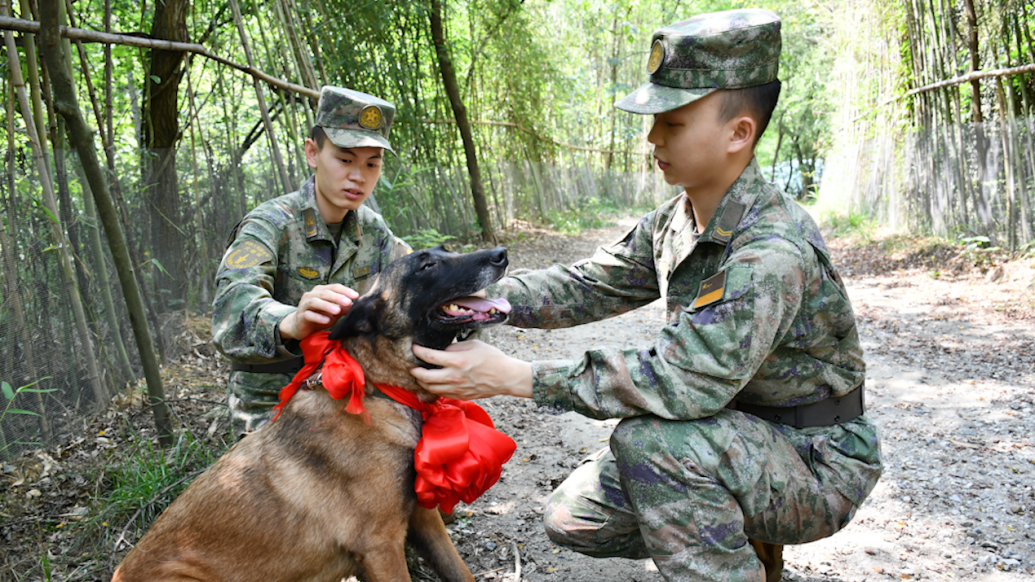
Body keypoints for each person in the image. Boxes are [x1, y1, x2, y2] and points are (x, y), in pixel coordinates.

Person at [409, 9, 882, 582]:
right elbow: (587, 283)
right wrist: (478, 302)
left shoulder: (770, 251)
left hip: (814, 458)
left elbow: (680, 381)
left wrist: (516, 377)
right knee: (573, 517)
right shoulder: (677, 218)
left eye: (674, 122)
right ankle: (741, 535)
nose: (653, 137)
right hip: (729, 433)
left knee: (652, 445)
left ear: (739, 133)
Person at [212, 86, 411, 438]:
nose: (358, 176)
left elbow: (412, 284)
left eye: (372, 164)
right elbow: (231, 311)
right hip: (270, 404)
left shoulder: (373, 230)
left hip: (347, 395)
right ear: (312, 152)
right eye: (345, 159)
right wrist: (290, 321)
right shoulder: (269, 224)